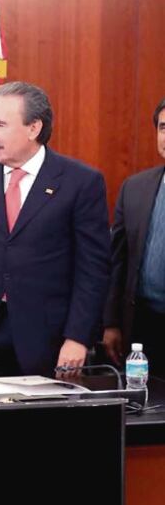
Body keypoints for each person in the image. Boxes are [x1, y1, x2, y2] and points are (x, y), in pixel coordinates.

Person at [0, 81, 110, 378]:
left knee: (41, 424)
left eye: (0, 125)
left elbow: (93, 269)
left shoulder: (80, 182)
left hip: (49, 339)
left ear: (34, 128)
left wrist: (78, 337)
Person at [103, 97, 165, 373]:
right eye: (163, 127)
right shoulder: (135, 188)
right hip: (144, 326)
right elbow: (119, 261)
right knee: (147, 410)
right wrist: (112, 322)